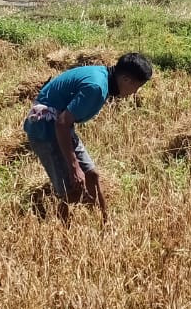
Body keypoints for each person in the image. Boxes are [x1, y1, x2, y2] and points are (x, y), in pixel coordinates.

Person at [23, 53, 153, 225]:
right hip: (46, 126)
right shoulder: (96, 87)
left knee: (91, 175)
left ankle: (106, 223)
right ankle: (63, 233)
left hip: (61, 125)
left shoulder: (103, 77)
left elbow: (64, 121)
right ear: (126, 80)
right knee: (70, 190)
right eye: (137, 86)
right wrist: (74, 166)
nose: (135, 92)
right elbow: (61, 123)